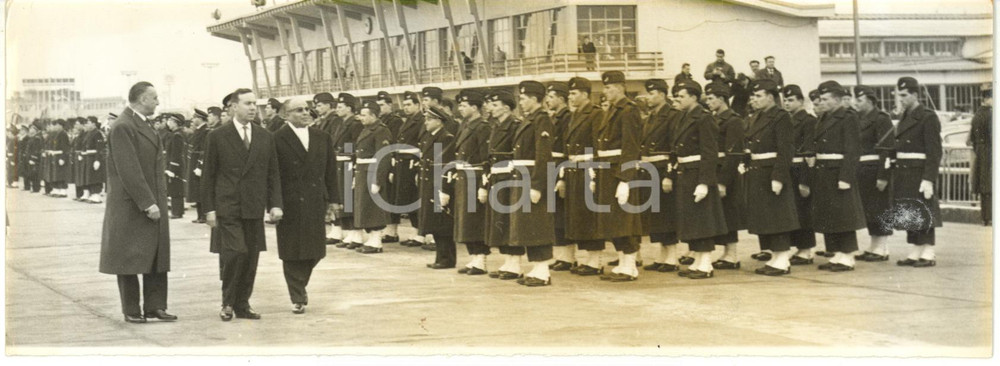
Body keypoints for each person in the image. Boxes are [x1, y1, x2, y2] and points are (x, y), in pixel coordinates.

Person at [202, 88, 283, 321]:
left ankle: (242, 303)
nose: (252, 108)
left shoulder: (265, 136)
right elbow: (208, 175)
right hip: (228, 206)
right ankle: (227, 302)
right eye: (247, 103)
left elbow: (272, 174)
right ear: (233, 107)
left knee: (251, 257)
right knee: (236, 252)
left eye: (254, 104)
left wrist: (275, 204)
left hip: (253, 206)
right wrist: (209, 209)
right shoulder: (217, 136)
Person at [99, 82, 175, 324]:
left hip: (151, 200)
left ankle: (155, 306)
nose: (157, 102)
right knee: (129, 258)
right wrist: (147, 203)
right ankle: (132, 309)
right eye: (154, 98)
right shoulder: (123, 126)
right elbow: (129, 170)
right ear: (142, 99)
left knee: (155, 254)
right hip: (133, 204)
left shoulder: (140, 123)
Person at [273, 98, 338, 314]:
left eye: (306, 109)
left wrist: (335, 200)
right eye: (298, 110)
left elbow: (331, 171)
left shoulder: (322, 137)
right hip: (290, 202)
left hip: (315, 200)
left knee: (315, 251)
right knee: (291, 251)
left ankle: (300, 284)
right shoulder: (277, 138)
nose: (305, 113)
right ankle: (297, 295)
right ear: (285, 115)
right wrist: (274, 204)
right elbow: (272, 176)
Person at [804, 81, 867, 272]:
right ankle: (837, 253)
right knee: (829, 214)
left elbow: (853, 149)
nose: (821, 103)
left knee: (843, 215)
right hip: (823, 171)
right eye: (820, 99)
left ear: (837, 99)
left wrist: (846, 177)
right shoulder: (824, 117)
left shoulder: (848, 117)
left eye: (825, 99)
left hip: (838, 171)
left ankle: (847, 256)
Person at [669, 80, 729, 279]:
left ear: (694, 97)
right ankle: (698, 260)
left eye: (682, 96)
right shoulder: (683, 117)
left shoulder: (704, 118)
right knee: (692, 219)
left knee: (702, 219)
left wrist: (704, 182)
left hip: (697, 174)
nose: (678, 99)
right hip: (685, 172)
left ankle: (705, 264)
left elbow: (709, 152)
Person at [743, 79, 800, 276]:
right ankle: (776, 257)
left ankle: (783, 259)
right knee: (766, 217)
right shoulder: (756, 116)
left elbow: (785, 149)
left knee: (778, 216)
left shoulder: (781, 116)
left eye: (758, 96)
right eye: (753, 96)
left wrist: (778, 177)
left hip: (771, 171)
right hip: (758, 172)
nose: (754, 99)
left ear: (770, 97)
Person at [502, 80, 556, 286]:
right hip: (522, 176)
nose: (521, 103)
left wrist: (537, 185)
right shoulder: (530, 119)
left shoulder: (541, 120)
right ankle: (537, 268)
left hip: (532, 177)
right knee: (528, 224)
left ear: (534, 99)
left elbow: (543, 155)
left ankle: (543, 271)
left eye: (523, 99)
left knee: (537, 224)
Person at [594, 71, 643, 282]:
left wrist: (626, 179)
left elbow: (630, 147)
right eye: (605, 88)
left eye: (609, 87)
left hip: (619, 171)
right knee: (612, 220)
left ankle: (630, 266)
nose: (606, 92)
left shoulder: (629, 111)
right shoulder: (612, 110)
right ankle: (622, 262)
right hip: (607, 170)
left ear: (621, 87)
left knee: (625, 220)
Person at [890, 77, 943, 268]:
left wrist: (929, 178)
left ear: (914, 94)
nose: (901, 99)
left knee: (924, 210)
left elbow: (934, 151)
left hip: (919, 171)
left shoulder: (927, 117)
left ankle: (928, 251)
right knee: (910, 210)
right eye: (898, 95)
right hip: (904, 171)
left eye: (904, 95)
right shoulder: (904, 116)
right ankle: (916, 248)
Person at [560, 78, 607, 276]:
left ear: (585, 94)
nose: (570, 97)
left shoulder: (595, 114)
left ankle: (595, 260)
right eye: (569, 94)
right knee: (578, 216)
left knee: (589, 216)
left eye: (574, 93)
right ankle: (588, 257)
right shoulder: (575, 115)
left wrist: (595, 173)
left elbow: (598, 145)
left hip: (588, 169)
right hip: (574, 169)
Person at [638, 79, 682, 273]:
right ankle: (662, 255)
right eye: (648, 93)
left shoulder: (672, 115)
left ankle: (672, 256)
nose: (649, 97)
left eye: (652, 93)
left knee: (666, 214)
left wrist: (669, 175)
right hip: (650, 169)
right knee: (656, 216)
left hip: (663, 168)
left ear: (663, 95)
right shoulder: (651, 117)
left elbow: (675, 147)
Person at [703, 82, 746, 270]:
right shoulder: (712, 118)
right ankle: (726, 253)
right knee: (720, 214)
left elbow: (734, 153)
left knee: (729, 214)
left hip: (726, 173)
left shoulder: (733, 120)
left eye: (711, 98)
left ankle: (732, 254)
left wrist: (723, 182)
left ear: (722, 99)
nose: (708, 102)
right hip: (714, 170)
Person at [450, 90, 491, 274]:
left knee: (475, 219)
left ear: (474, 108)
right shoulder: (466, 125)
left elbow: (485, 157)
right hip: (464, 176)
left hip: (474, 176)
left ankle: (481, 259)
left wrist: (484, 184)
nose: (460, 109)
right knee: (465, 219)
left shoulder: (482, 127)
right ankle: (473, 257)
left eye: (464, 105)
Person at [483, 90, 523, 280]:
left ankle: (515, 264)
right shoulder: (496, 126)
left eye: (495, 105)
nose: (491, 108)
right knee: (499, 221)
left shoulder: (515, 126)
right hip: (497, 177)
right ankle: (508, 261)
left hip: (508, 177)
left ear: (506, 108)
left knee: (508, 221)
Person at [853, 85, 895, 261]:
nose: (856, 103)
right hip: (863, 170)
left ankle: (882, 248)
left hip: (876, 169)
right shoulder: (858, 119)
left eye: (859, 100)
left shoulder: (881, 119)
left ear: (870, 101)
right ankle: (874, 245)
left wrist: (883, 176)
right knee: (869, 210)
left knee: (879, 209)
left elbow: (887, 149)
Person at [782, 85, 819, 264]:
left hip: (801, 169)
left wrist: (805, 181)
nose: (787, 103)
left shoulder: (808, 121)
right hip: (789, 170)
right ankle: (798, 247)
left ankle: (806, 249)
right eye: (785, 100)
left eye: (791, 100)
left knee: (803, 211)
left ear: (801, 101)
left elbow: (809, 152)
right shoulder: (786, 120)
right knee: (792, 210)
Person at [352, 100, 393, 254]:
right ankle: (372, 238)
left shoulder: (381, 130)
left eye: (364, 115)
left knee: (374, 208)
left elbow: (383, 156)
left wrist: (378, 179)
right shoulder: (367, 129)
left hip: (372, 172)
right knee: (365, 207)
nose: (361, 118)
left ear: (374, 115)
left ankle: (376, 241)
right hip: (363, 171)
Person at [419, 106, 457, 268]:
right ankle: (440, 258)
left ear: (438, 121)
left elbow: (444, 165)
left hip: (438, 183)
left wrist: (444, 189)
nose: (426, 122)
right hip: (429, 183)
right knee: (435, 222)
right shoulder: (430, 137)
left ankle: (447, 259)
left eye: (429, 119)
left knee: (442, 224)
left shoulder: (445, 138)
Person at [544, 82, 574, 271]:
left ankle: (568, 257)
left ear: (561, 99)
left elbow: (566, 148)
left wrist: (562, 175)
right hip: (553, 167)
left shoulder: (566, 118)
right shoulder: (555, 117)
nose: (548, 100)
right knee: (556, 215)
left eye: (552, 97)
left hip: (561, 167)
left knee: (563, 215)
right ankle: (563, 256)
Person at [330, 93, 365, 249]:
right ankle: (348, 231)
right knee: (344, 199)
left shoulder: (355, 124)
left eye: (340, 107)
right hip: (340, 164)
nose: (337, 109)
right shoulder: (341, 123)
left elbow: (355, 145)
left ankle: (354, 232)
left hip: (348, 163)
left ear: (349, 108)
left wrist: (346, 154)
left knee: (349, 199)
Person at [392, 91, 426, 248]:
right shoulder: (406, 121)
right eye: (404, 105)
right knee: (408, 199)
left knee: (414, 199)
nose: (405, 108)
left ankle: (420, 233)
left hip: (413, 163)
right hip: (403, 163)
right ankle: (415, 231)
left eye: (409, 105)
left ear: (417, 105)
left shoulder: (421, 121)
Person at [311, 92, 343, 245]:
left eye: (319, 105)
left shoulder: (335, 121)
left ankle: (337, 229)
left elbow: (336, 141)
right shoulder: (323, 121)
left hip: (334, 160)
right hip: (325, 160)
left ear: (329, 105)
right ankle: (334, 228)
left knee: (334, 196)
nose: (317, 108)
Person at [969, 83, 992, 226]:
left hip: (980, 153)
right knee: (991, 184)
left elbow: (971, 138)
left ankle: (986, 217)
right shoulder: (991, 114)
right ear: (988, 99)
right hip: (990, 152)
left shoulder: (977, 114)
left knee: (985, 187)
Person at [186, 109, 210, 222]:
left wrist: (200, 166)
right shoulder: (199, 130)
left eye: (195, 117)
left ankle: (203, 215)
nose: (193, 119)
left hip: (199, 163)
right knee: (196, 189)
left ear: (200, 119)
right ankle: (200, 215)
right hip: (194, 161)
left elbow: (204, 150)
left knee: (201, 189)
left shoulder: (205, 131)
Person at [162, 114, 187, 219]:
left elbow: (176, 153)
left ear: (176, 123)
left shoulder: (177, 135)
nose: (168, 123)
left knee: (176, 188)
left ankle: (177, 212)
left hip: (175, 166)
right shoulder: (175, 134)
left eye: (170, 121)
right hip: (174, 165)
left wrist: (172, 168)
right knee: (175, 188)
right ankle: (177, 211)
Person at [44, 119, 72, 197]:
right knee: (55, 174)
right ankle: (56, 188)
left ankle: (63, 190)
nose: (55, 126)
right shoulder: (56, 134)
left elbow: (65, 148)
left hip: (60, 156)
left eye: (56, 125)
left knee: (61, 174)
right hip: (55, 156)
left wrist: (62, 158)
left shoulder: (63, 134)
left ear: (60, 126)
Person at [21, 122, 43, 193]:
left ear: (35, 130)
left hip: (34, 158)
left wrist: (33, 158)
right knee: (32, 172)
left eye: (32, 128)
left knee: (35, 173)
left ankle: (36, 188)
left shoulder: (37, 138)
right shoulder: (32, 137)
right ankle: (34, 187)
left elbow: (36, 149)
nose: (30, 130)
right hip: (29, 157)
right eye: (30, 128)